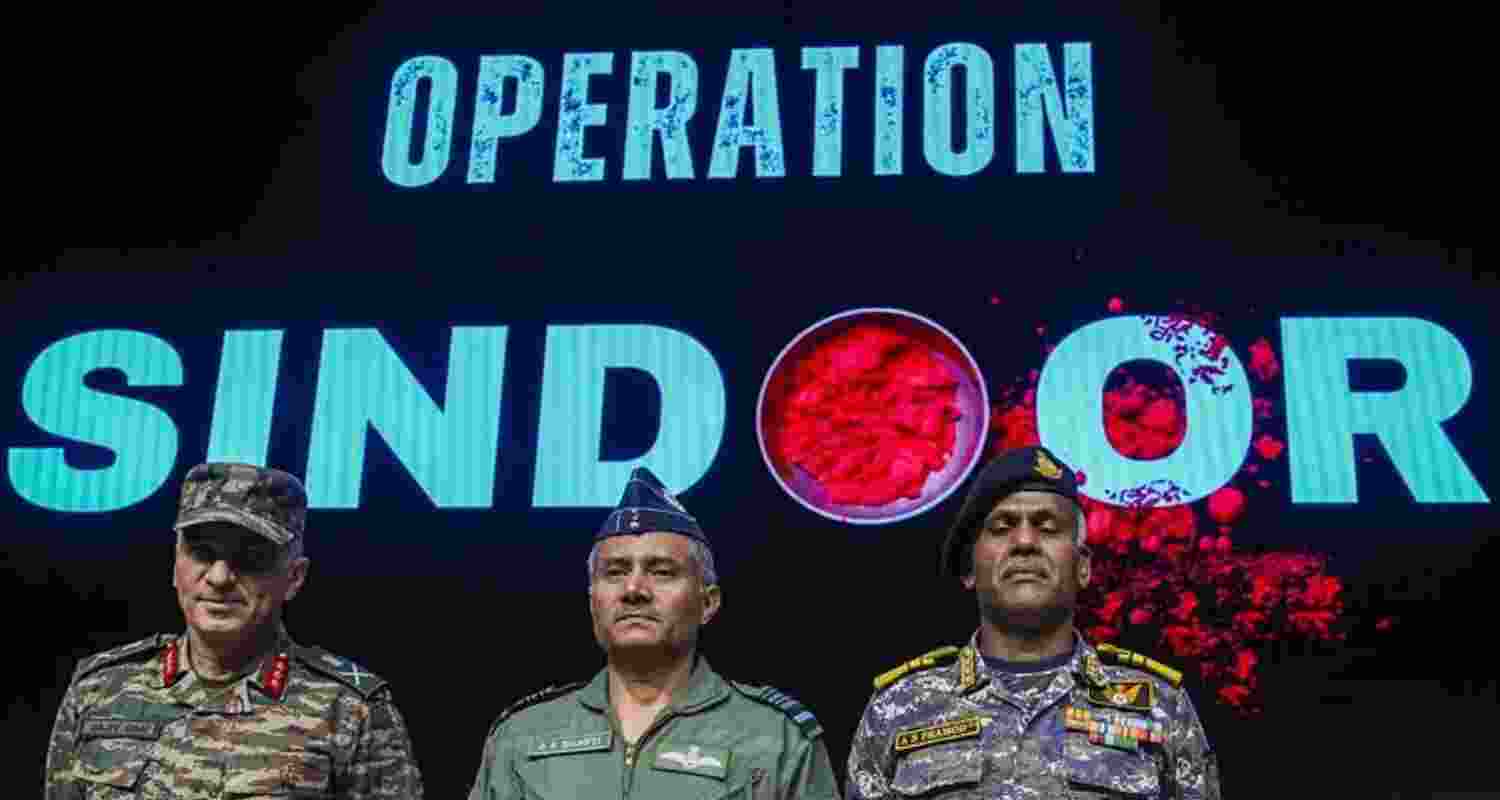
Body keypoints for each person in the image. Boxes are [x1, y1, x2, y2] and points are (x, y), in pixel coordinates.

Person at [845, 445, 1221, 798]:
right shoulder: (897, 709)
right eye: (1001, 527)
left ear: (1083, 566)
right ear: (970, 568)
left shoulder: (1162, 708)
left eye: (1048, 527)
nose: (1024, 541)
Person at [44, 462, 424, 799]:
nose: (220, 577)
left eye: (250, 558)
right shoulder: (99, 689)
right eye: (202, 552)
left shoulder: (350, 709)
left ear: (294, 577)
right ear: (175, 564)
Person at [467, 466, 839, 800]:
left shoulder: (776, 739)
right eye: (615, 572)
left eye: (661, 572)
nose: (634, 590)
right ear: (593, 601)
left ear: (707, 602)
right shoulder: (523, 737)